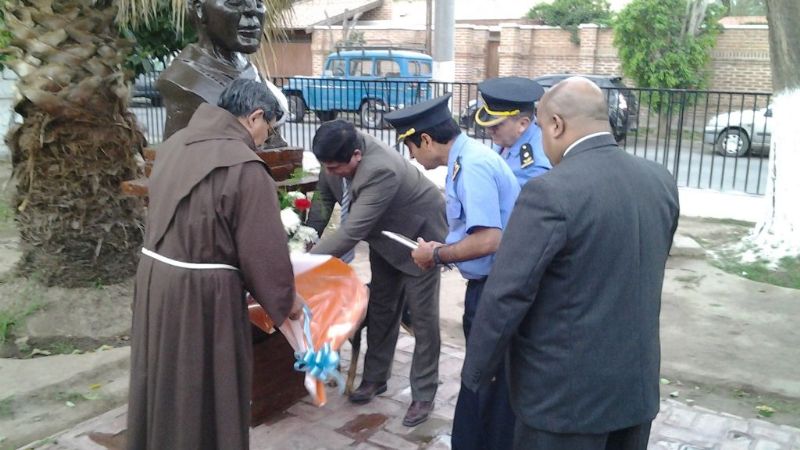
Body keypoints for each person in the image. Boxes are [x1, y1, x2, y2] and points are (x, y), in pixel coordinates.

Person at [461, 77, 680, 450]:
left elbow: (507, 294)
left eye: (542, 128)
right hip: (635, 390)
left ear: (556, 125)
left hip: (564, 402)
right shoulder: (659, 180)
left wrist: (477, 372)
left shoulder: (549, 192)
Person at [127, 79, 302, 450]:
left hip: (155, 282)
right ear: (255, 117)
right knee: (203, 387)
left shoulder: (174, 145)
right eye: (269, 129)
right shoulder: (244, 166)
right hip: (203, 297)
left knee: (163, 378)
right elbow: (263, 254)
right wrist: (288, 302)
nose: (265, 139)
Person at [384, 94, 520, 450]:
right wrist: (443, 249)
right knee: (487, 378)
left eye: (411, 147)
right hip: (490, 285)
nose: (411, 156)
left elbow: (490, 239)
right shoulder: (467, 159)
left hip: (494, 288)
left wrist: (436, 254)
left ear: (427, 140)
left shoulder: (471, 166)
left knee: (484, 379)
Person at [305, 119, 447, 427]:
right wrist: (306, 239)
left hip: (419, 238)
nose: (329, 172)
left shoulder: (380, 169)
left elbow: (351, 232)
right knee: (382, 306)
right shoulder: (335, 154)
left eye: (334, 167)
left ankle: (423, 394)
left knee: (423, 319)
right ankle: (375, 378)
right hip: (384, 236)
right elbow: (323, 201)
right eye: (325, 166)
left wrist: (303, 265)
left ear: (356, 155)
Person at [157, 0, 288, 139]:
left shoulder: (249, 71)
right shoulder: (183, 79)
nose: (252, 9)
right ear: (200, 10)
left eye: (259, 2)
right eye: (235, 2)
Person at [476, 76, 551, 186]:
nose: (489, 130)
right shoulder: (508, 139)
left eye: (496, 125)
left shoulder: (535, 167)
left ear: (522, 124)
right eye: (488, 124)